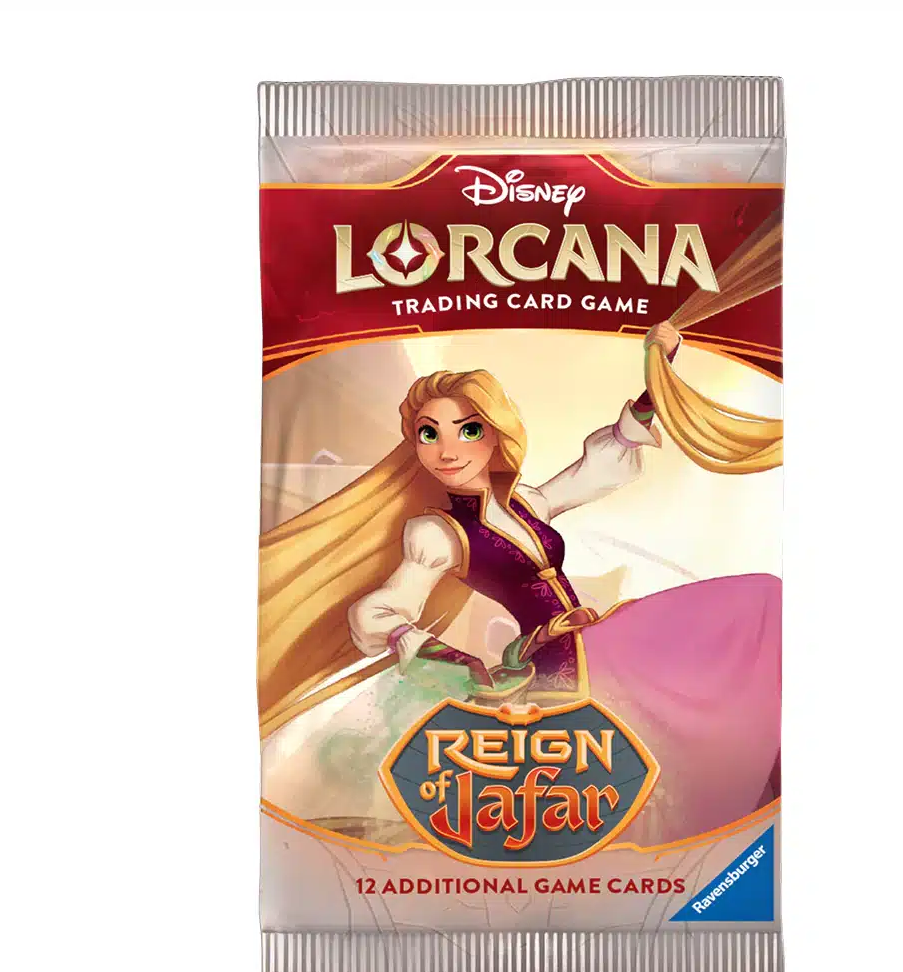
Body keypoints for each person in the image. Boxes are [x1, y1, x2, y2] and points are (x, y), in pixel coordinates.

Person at [259, 323, 781, 842]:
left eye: (467, 430)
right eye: (428, 434)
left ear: (494, 432)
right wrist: (459, 668)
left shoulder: (527, 503)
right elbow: (378, 611)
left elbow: (599, 463)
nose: (446, 450)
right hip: (562, 661)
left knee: (762, 604)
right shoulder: (437, 533)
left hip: (593, 638)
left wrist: (656, 379)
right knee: (755, 608)